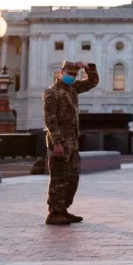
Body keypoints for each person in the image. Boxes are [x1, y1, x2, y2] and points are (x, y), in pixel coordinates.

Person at [43, 61, 99, 224]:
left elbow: (92, 82)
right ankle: (54, 212)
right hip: (59, 143)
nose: (72, 77)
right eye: (69, 73)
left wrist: (89, 69)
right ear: (61, 72)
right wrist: (57, 142)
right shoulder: (52, 93)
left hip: (72, 142)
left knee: (72, 177)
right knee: (59, 177)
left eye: (74, 75)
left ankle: (63, 209)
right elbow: (50, 119)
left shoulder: (72, 89)